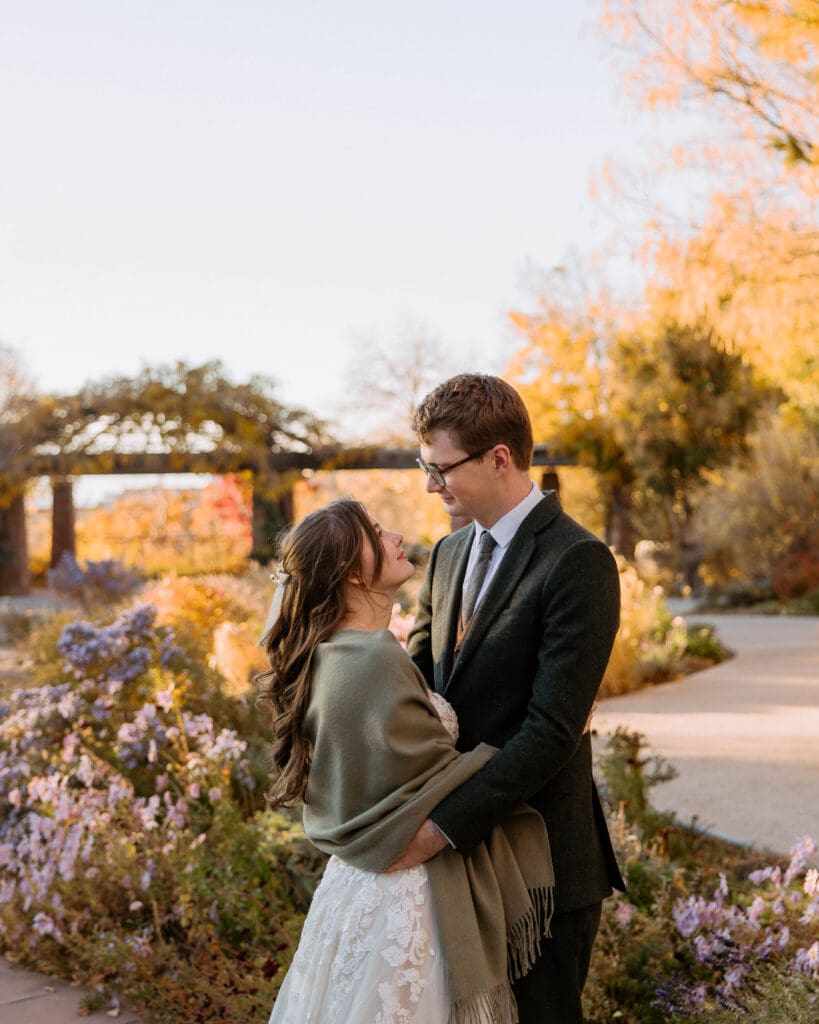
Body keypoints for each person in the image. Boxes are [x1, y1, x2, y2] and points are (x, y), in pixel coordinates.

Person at [257, 498, 555, 1024]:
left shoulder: (341, 650)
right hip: (407, 896)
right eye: (376, 532)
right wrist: (551, 728)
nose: (396, 536)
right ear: (353, 571)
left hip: (360, 886)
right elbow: (438, 776)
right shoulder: (369, 661)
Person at [390, 373, 625, 1024]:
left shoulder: (577, 560)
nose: (431, 485)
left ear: (498, 459)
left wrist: (441, 830)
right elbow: (418, 683)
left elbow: (551, 730)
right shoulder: (444, 554)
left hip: (543, 862)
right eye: (425, 467)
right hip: (456, 858)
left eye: (441, 469)